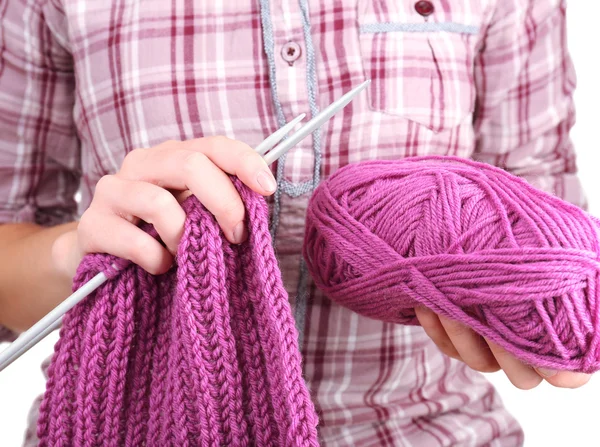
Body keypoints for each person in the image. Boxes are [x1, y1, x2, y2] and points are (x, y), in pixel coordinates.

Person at [0, 0, 592, 445]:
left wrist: (531, 324)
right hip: (135, 428)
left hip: (430, 427)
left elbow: (564, 259)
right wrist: (77, 249)